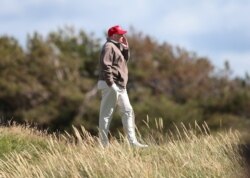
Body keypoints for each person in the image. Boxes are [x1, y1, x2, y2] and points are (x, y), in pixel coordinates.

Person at [97, 25, 148, 148]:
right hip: (111, 84)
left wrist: (125, 48)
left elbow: (124, 61)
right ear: (113, 35)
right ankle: (103, 145)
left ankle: (133, 142)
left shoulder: (116, 46)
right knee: (106, 114)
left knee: (128, 111)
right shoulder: (109, 46)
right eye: (120, 34)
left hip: (119, 85)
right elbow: (106, 66)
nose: (122, 36)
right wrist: (111, 84)